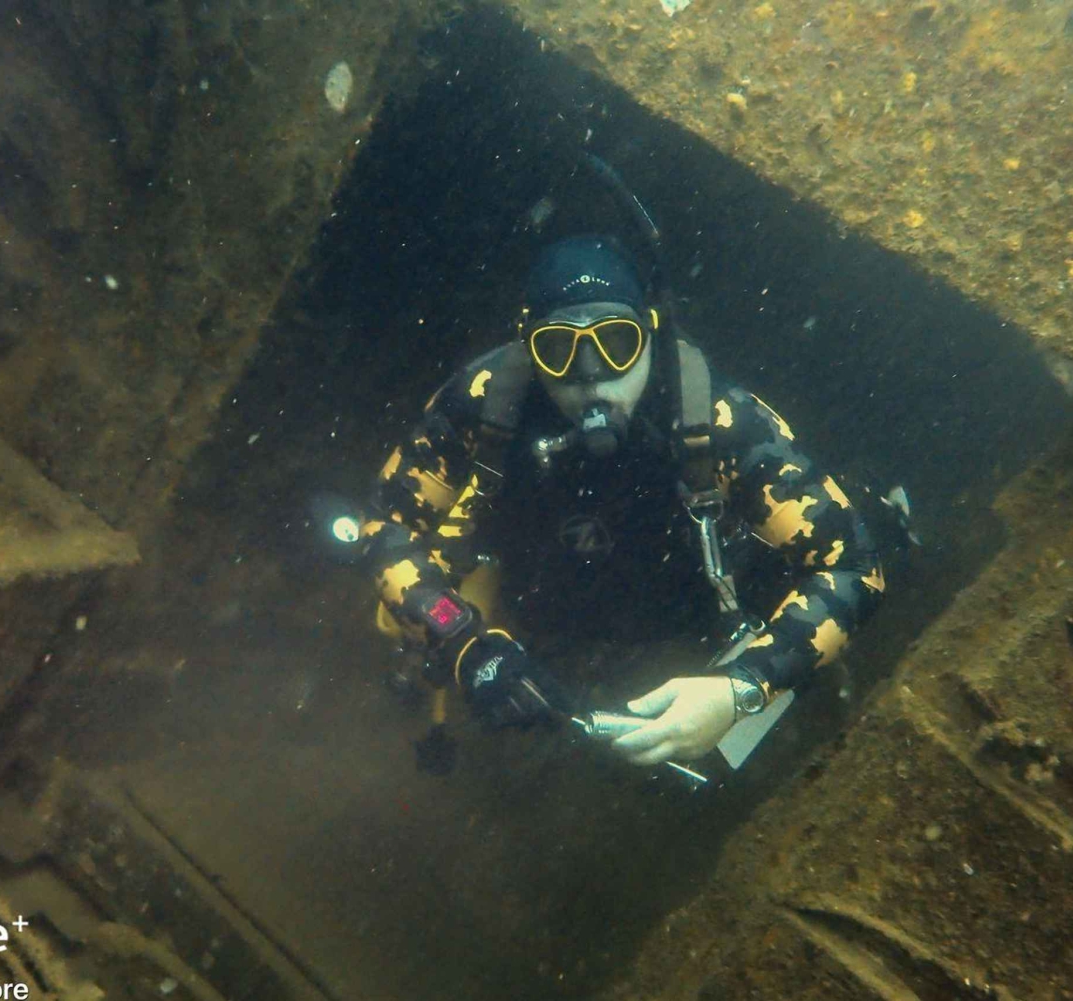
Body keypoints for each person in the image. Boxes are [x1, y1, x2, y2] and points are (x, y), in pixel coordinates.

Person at [358, 236, 884, 769]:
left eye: (616, 341)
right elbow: (382, 528)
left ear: (650, 333)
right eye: (559, 349)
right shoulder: (484, 400)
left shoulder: (716, 422)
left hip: (691, 625)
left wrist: (740, 687)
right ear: (529, 348)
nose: (592, 375)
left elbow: (853, 564)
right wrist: (464, 644)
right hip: (552, 619)